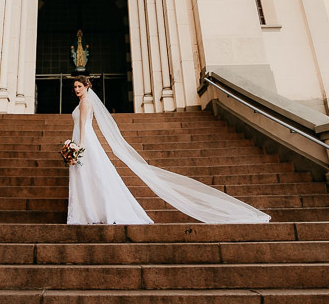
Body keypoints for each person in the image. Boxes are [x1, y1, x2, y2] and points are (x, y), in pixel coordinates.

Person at [67, 75, 270, 225]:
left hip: (85, 142)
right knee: (93, 176)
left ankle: (93, 211)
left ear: (86, 86)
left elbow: (84, 124)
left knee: (93, 176)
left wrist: (79, 145)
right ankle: (91, 211)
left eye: (79, 86)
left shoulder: (85, 102)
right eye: (74, 86)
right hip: (83, 141)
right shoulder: (84, 101)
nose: (76, 89)